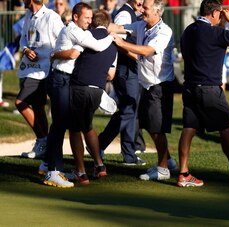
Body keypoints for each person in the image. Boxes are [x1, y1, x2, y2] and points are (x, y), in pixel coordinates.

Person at [40, 2, 115, 188]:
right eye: (86, 18)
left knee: (61, 123)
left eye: (91, 18)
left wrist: (58, 54)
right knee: (59, 124)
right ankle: (53, 171)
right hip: (60, 79)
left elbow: (65, 53)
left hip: (64, 80)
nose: (90, 21)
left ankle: (49, 165)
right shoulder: (75, 30)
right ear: (75, 17)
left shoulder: (78, 30)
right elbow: (96, 46)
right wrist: (112, 37)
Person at [178, 0, 229, 187]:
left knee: (189, 128)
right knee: (225, 129)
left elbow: (185, 53)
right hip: (209, 88)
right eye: (220, 14)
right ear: (215, 13)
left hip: (190, 87)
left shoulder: (188, 31)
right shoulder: (216, 32)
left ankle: (183, 173)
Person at [111, 0, 177, 180]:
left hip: (160, 85)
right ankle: (168, 160)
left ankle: (163, 170)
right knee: (149, 124)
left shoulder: (164, 31)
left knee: (157, 128)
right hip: (147, 84)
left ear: (157, 12)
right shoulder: (141, 24)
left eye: (145, 8)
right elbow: (119, 28)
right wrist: (99, 25)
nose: (141, 10)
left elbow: (147, 51)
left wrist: (122, 45)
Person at [68, 9, 117, 185]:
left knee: (74, 129)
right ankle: (99, 165)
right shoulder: (113, 44)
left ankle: (81, 172)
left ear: (93, 22)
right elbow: (111, 74)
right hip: (98, 90)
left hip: (79, 87)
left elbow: (73, 55)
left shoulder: (86, 35)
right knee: (87, 126)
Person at [98, 0, 146, 165]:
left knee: (129, 111)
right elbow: (118, 42)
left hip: (129, 70)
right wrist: (137, 56)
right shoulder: (125, 14)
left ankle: (127, 153)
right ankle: (101, 144)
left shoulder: (132, 13)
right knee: (128, 111)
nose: (141, 2)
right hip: (125, 70)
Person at [16, 0, 64, 159]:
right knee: (38, 106)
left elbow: (63, 39)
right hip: (30, 69)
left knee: (20, 103)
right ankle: (43, 143)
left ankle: (43, 140)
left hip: (44, 70)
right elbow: (24, 39)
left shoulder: (52, 17)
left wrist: (54, 58)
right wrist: (26, 50)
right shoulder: (29, 14)